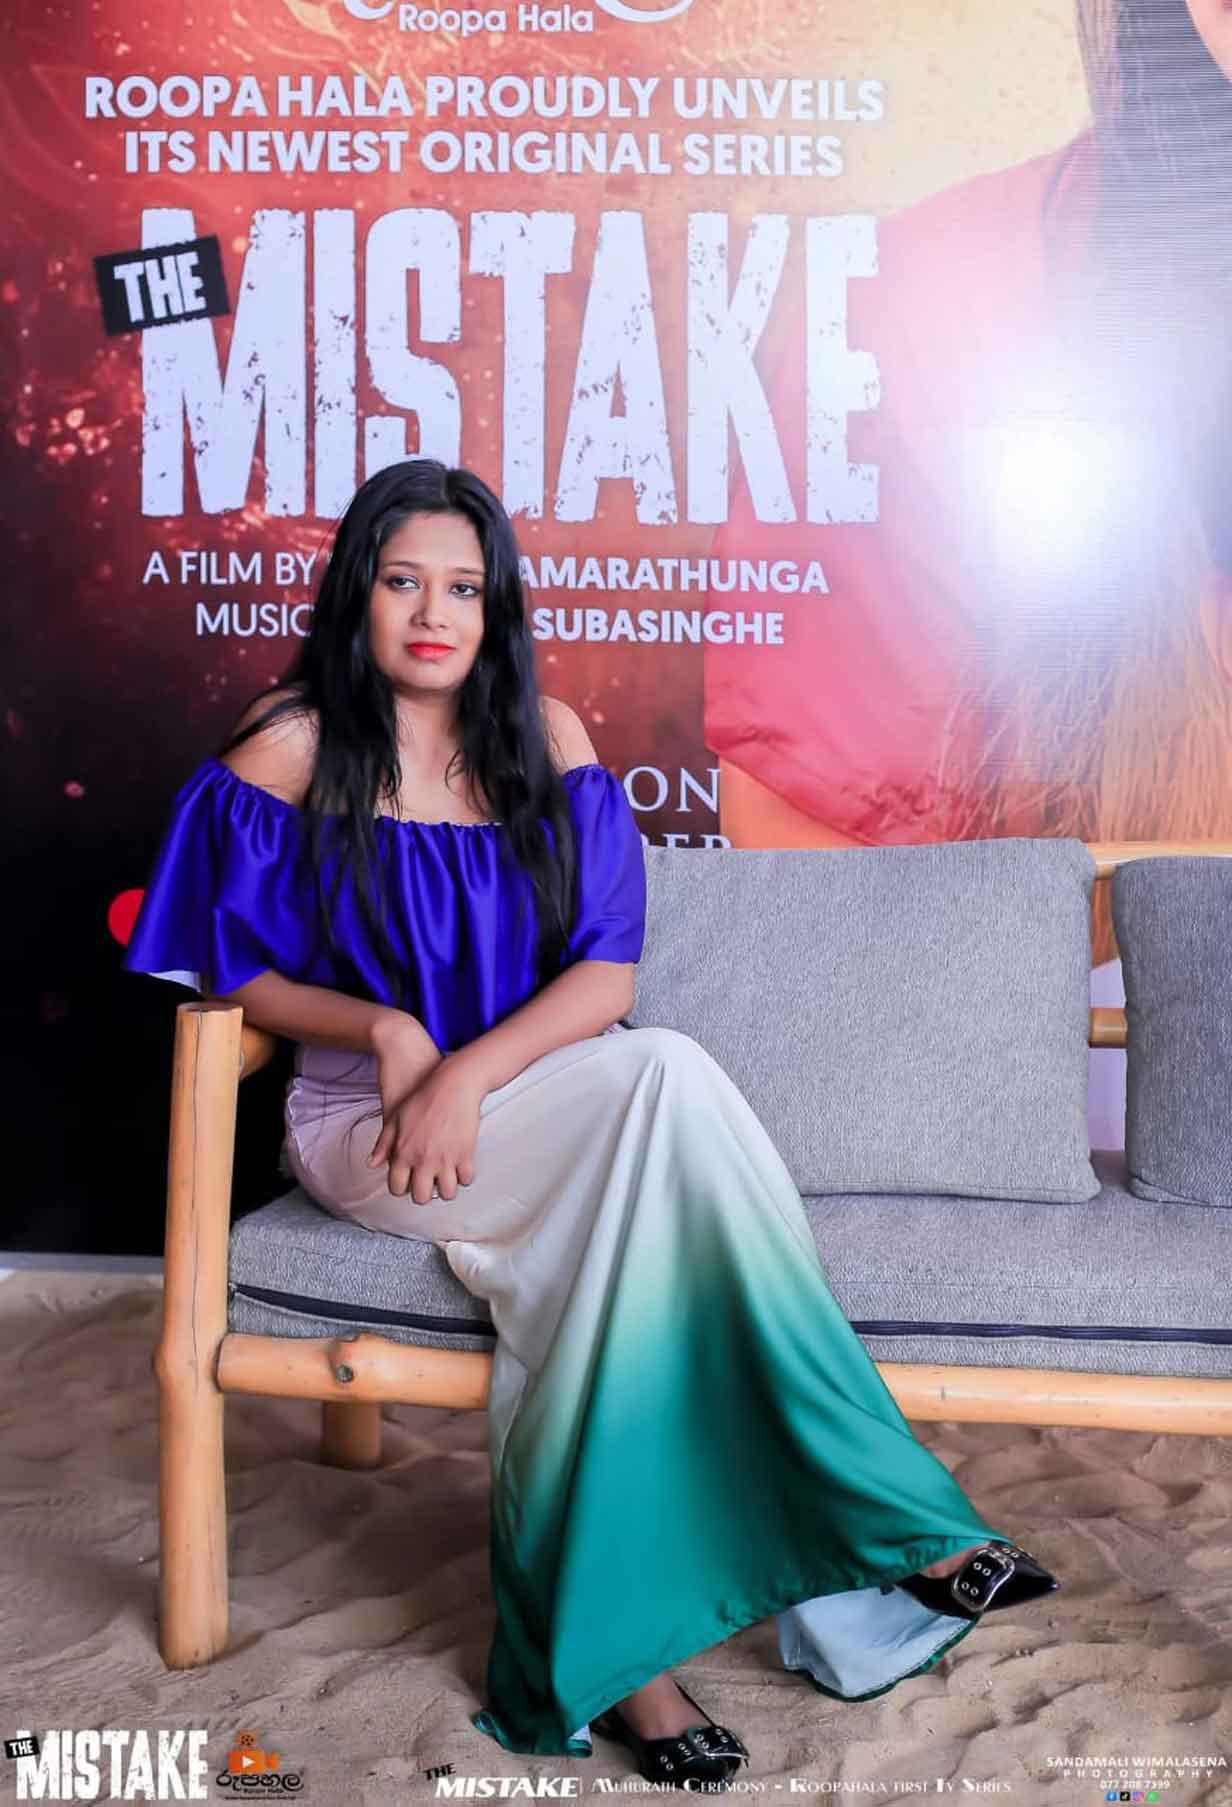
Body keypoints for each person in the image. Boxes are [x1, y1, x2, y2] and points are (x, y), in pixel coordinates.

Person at [123, 457, 1058, 1790]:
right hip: (372, 1130)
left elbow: (605, 979)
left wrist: (468, 1071)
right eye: (403, 582)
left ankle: (619, 1665)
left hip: (543, 1099)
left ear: (498, 606)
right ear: (357, 592)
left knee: (633, 1154)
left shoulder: (546, 739)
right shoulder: (293, 743)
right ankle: (890, 1526)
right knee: (663, 1081)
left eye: (464, 588)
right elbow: (228, 968)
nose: (433, 614)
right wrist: (389, 1034)